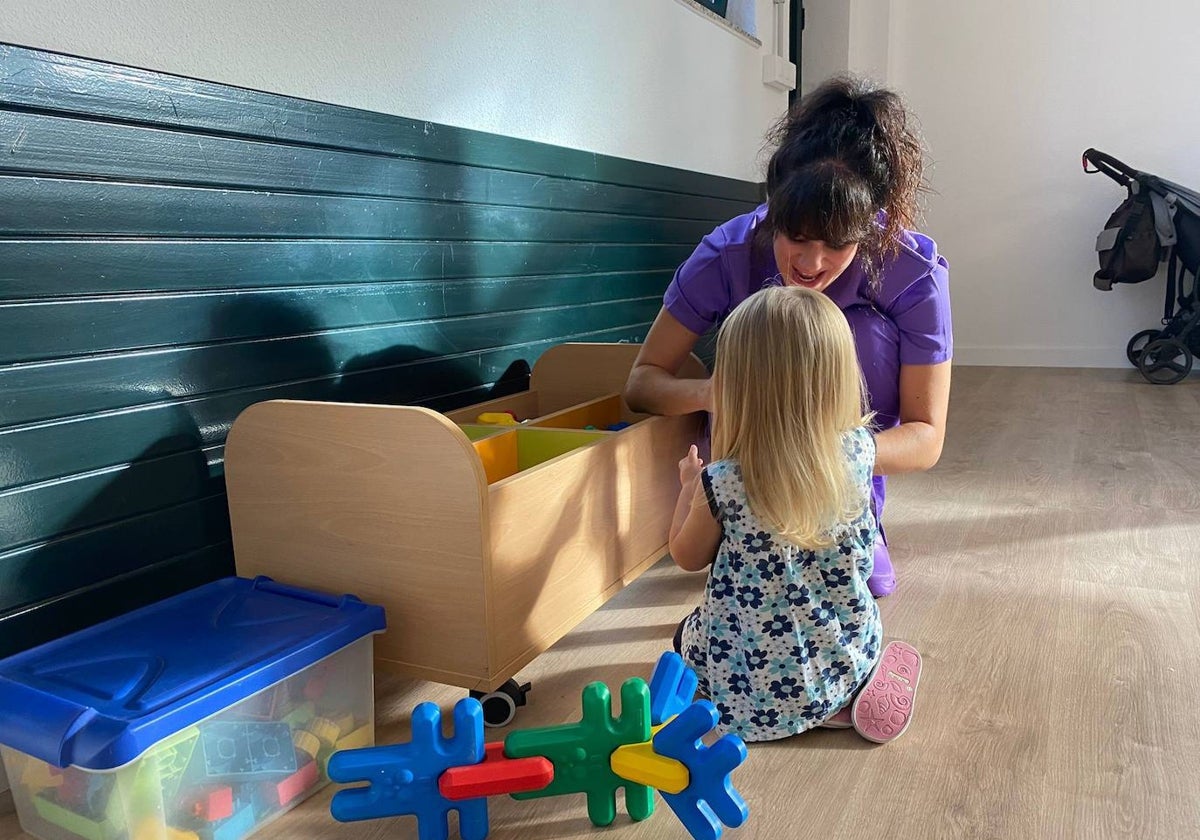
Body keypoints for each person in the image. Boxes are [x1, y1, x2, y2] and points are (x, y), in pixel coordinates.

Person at [625, 76, 952, 597]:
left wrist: (829, 455)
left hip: (841, 484)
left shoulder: (911, 272)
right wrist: (723, 394)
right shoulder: (727, 254)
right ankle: (739, 524)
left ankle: (857, 521)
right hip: (742, 472)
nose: (811, 262)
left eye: (837, 242)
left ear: (870, 227)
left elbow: (926, 434)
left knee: (853, 333)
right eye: (794, 236)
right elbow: (641, 383)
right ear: (774, 208)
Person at [667, 286, 921, 743]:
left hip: (751, 694)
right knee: (841, 612)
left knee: (685, 634)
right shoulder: (860, 453)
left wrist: (689, 488)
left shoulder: (723, 482)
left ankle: (794, 703)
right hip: (841, 656)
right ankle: (842, 698)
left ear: (736, 387)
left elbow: (685, 556)